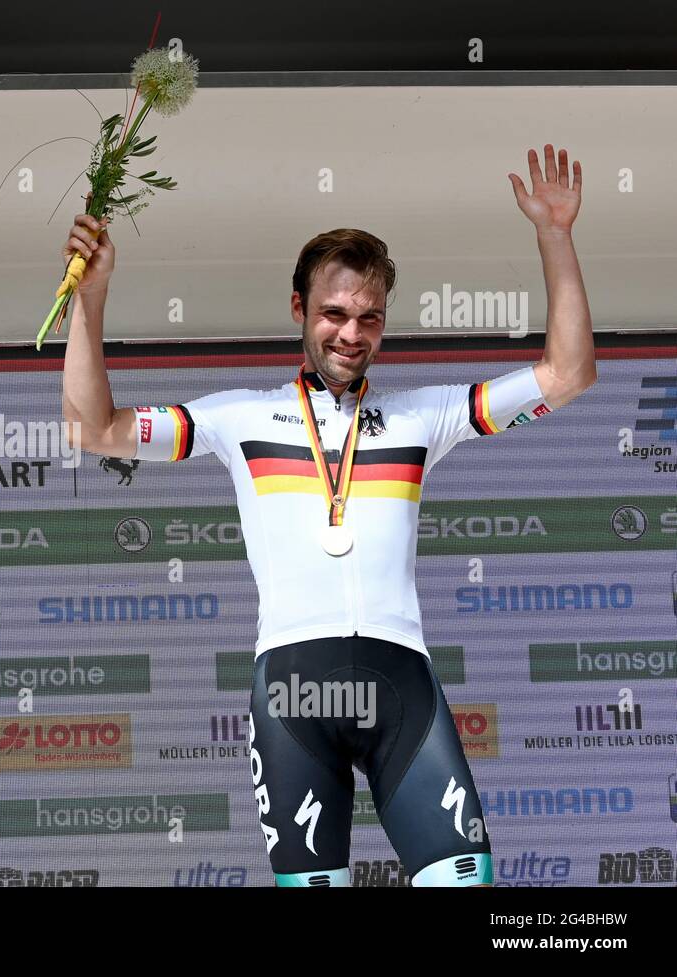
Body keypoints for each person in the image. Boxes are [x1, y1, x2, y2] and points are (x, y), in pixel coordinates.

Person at [60, 144, 594, 887]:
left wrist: (555, 236)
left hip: (401, 685)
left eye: (369, 317)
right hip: (292, 695)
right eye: (334, 313)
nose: (351, 333)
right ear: (298, 311)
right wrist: (91, 296)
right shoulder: (238, 417)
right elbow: (93, 428)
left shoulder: (423, 416)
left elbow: (567, 375)